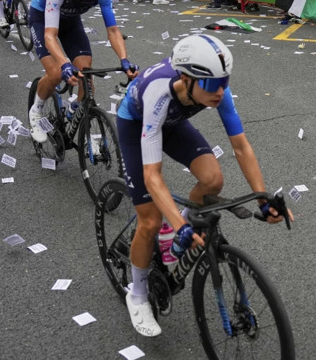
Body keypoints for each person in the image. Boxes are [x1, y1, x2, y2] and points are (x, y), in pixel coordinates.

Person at [115, 34, 291, 337]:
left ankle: (173, 232)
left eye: (225, 81)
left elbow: (241, 147)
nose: (220, 91)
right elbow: (152, 176)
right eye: (212, 85)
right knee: (151, 219)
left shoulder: (215, 89)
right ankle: (138, 294)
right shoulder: (159, 92)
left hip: (173, 122)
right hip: (138, 124)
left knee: (213, 179)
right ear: (185, 79)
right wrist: (176, 223)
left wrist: (264, 199)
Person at [27, 0, 138, 142]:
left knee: (86, 75)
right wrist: (64, 64)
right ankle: (36, 111)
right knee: (55, 73)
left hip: (71, 23)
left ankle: (78, 112)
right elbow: (50, 36)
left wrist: (124, 60)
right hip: (42, 20)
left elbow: (112, 31)